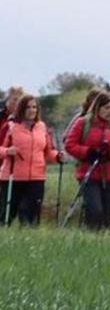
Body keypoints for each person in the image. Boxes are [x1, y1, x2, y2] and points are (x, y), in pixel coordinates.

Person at [64, 92, 110, 230]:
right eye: (106, 108)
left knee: (108, 212)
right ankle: (91, 234)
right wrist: (88, 152)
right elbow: (70, 144)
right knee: (95, 209)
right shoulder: (83, 123)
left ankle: (102, 239)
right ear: (97, 107)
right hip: (90, 173)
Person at [0, 95, 63, 225]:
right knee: (7, 214)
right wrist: (7, 151)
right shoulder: (10, 127)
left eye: (34, 107)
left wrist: (57, 156)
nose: (31, 110)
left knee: (30, 214)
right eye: (28, 107)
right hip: (13, 177)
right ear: (21, 109)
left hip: (36, 177)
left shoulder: (42, 127)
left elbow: (48, 151)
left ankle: (28, 239)